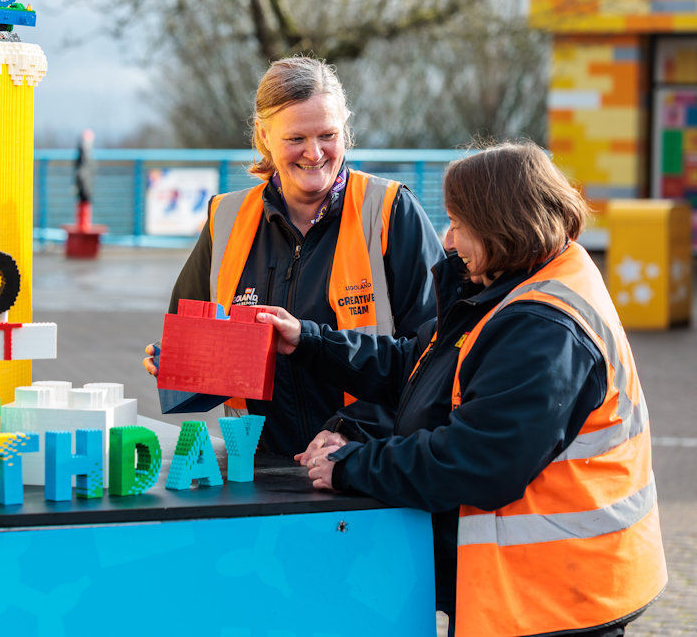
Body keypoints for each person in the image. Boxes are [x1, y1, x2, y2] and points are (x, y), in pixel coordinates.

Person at [257, 141, 667, 636]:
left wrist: (353, 467)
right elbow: (419, 365)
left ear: (502, 226)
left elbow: (476, 460)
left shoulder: (543, 327)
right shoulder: (515, 283)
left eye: (459, 224)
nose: (448, 240)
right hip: (539, 586)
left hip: (557, 595)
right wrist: (310, 342)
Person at [145, 55, 445, 457]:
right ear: (263, 135)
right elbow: (194, 347)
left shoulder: (391, 211)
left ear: (346, 130)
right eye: (296, 139)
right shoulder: (225, 217)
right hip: (256, 466)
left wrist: (353, 432)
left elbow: (438, 354)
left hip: (368, 460)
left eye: (327, 135)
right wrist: (177, 363)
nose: (314, 153)